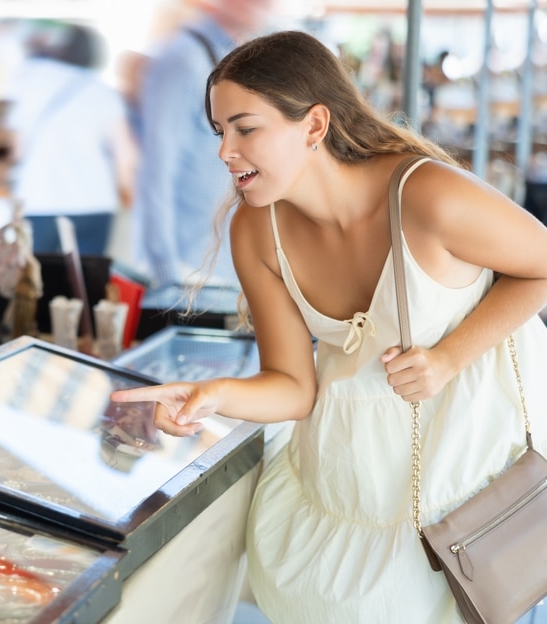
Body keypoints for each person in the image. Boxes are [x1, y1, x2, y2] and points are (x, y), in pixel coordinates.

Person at [110, 30, 547, 622]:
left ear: (313, 126)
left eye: (245, 128)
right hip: (352, 479)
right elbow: (293, 384)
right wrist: (208, 396)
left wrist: (449, 357)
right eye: (220, 132)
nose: (224, 152)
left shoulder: (430, 197)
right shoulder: (256, 229)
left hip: (467, 480)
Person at [129, 0, 274, 287]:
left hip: (225, 265)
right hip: (189, 269)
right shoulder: (185, 59)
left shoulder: (234, 56)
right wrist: (168, 273)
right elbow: (156, 172)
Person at [3, 22, 136, 256]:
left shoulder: (29, 82)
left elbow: (18, 150)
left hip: (40, 200)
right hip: (95, 203)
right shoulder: (104, 92)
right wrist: (130, 198)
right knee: (85, 286)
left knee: (34, 284)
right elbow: (126, 158)